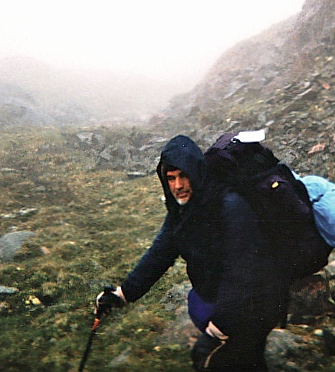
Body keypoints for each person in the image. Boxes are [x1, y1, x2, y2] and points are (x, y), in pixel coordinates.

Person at [95, 135, 289, 370]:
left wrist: (218, 331)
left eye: (183, 175)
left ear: (196, 173)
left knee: (219, 360)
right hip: (222, 302)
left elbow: (242, 273)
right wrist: (123, 293)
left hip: (253, 303)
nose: (178, 186)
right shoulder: (181, 210)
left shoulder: (229, 206)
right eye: (171, 178)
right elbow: (160, 252)